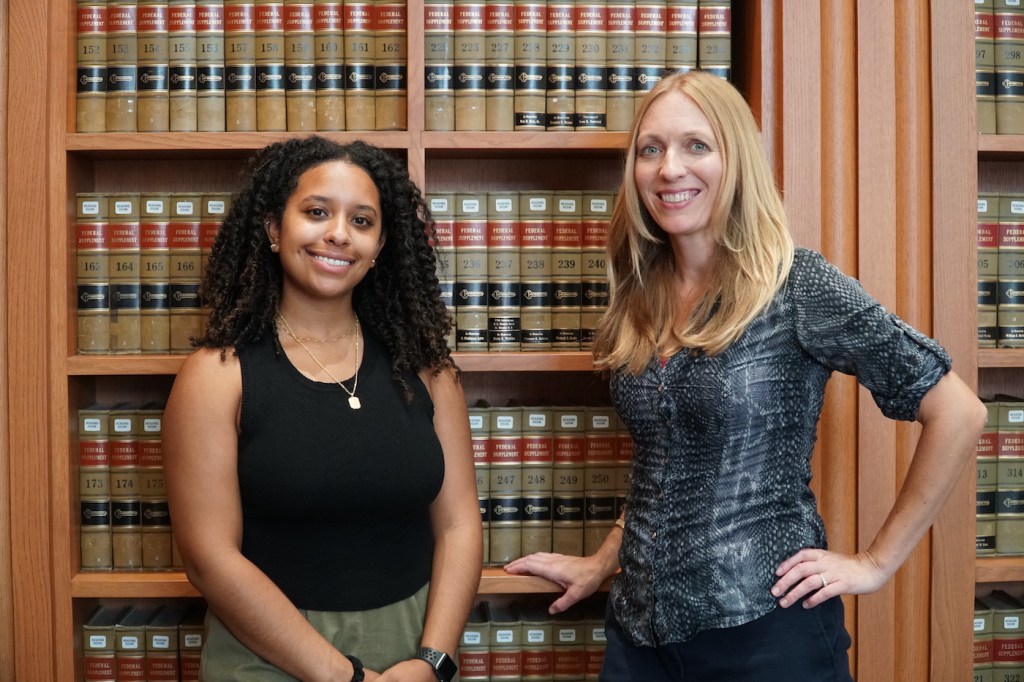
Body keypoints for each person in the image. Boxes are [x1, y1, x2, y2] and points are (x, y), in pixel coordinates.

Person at [504, 70, 987, 680]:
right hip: (638, 637)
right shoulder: (641, 295)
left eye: (696, 146)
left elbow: (959, 412)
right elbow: (668, 458)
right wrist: (604, 561)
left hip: (766, 636)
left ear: (736, 161)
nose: (668, 168)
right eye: (651, 149)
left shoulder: (797, 285)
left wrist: (875, 561)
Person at [163, 136, 482, 682]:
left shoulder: (427, 368)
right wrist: (344, 677)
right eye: (316, 212)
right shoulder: (216, 377)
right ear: (272, 228)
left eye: (362, 221)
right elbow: (209, 558)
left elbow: (458, 525)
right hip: (267, 653)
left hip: (413, 646)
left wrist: (434, 661)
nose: (338, 233)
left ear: (381, 245)